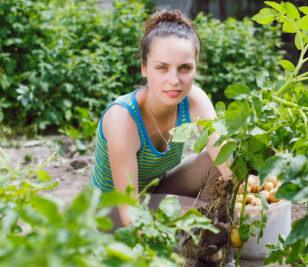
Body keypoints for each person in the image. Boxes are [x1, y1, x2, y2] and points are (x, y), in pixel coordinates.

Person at [90, 9, 233, 228]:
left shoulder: (194, 100)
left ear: (196, 68)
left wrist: (253, 195)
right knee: (191, 221)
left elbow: (227, 165)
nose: (174, 80)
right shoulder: (123, 118)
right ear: (144, 68)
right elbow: (129, 209)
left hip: (156, 191)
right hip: (112, 214)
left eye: (184, 68)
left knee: (218, 161)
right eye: (162, 68)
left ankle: (221, 230)